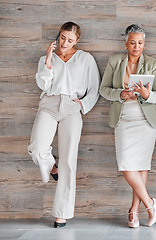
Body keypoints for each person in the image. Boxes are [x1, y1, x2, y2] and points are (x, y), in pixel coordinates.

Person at [28, 22, 100, 228]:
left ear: (77, 40)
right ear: (58, 36)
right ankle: (53, 169)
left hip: (71, 106)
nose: (65, 43)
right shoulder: (45, 58)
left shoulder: (86, 59)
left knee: (69, 160)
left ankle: (62, 213)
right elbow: (43, 85)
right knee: (37, 148)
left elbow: (94, 87)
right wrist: (49, 61)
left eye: (70, 40)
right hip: (49, 103)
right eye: (62, 38)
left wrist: (82, 105)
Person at [99, 24, 156, 228]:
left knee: (141, 165)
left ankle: (134, 211)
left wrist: (147, 95)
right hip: (123, 117)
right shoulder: (115, 61)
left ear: (145, 44)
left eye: (141, 43)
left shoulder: (152, 63)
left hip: (146, 120)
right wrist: (120, 94)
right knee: (127, 164)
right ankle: (150, 203)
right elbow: (104, 90)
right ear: (126, 42)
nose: (137, 46)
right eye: (133, 42)